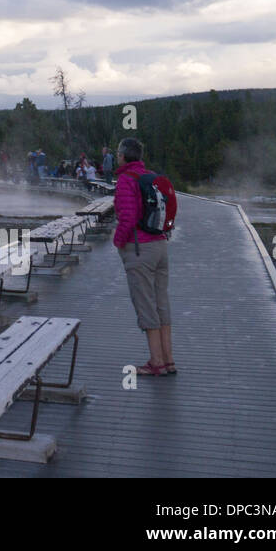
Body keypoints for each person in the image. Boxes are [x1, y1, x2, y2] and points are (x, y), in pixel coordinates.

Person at [113, 137, 175, 376]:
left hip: (140, 249)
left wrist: (118, 242)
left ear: (122, 156)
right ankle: (168, 360)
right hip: (160, 246)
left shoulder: (126, 180)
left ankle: (156, 363)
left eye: (118, 153)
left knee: (145, 305)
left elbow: (127, 217)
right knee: (161, 303)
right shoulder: (151, 177)